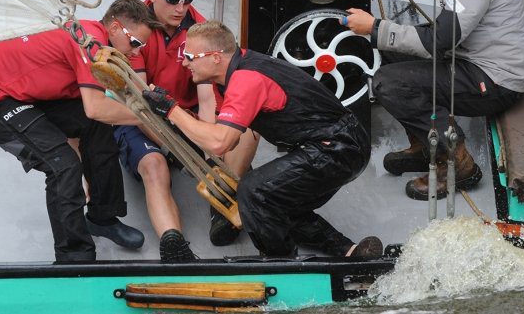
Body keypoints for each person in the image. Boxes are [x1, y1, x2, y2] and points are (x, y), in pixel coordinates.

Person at [344, 0, 524, 201]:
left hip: (497, 81)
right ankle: (425, 144)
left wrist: (374, 27)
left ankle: (459, 164)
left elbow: (439, 42)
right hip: (475, 53)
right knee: (395, 48)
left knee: (389, 84)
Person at [142, 21, 383, 260]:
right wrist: (173, 113)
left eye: (190, 56)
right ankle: (349, 251)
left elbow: (220, 144)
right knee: (278, 200)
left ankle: (280, 262)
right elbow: (228, 139)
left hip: (337, 147)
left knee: (255, 191)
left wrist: (171, 110)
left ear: (215, 57)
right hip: (341, 142)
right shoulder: (233, 72)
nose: (184, 63)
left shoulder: (245, 80)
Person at [0, 0, 159, 262]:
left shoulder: (95, 38)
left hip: (28, 96)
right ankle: (74, 257)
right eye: (135, 43)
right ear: (113, 28)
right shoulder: (89, 45)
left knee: (98, 128)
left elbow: (97, 114)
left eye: (141, 46)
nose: (136, 53)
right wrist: (148, 117)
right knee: (63, 165)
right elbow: (95, 108)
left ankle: (102, 217)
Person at [116, 0, 257, 262]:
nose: (181, 9)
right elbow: (139, 102)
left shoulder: (197, 28)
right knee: (155, 167)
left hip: (184, 114)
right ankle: (174, 246)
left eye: (188, 0)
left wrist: (210, 151)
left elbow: (207, 98)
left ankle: (222, 204)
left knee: (243, 135)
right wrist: (171, 148)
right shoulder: (135, 31)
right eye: (172, 0)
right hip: (141, 118)